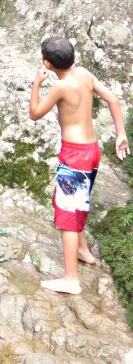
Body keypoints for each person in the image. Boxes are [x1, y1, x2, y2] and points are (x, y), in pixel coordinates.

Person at [29, 36, 129, 295]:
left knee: (67, 213)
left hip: (74, 157)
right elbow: (113, 100)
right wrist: (121, 134)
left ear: (47, 63)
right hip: (91, 151)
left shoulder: (60, 87)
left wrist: (37, 83)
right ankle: (83, 251)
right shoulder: (84, 74)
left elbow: (35, 113)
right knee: (78, 201)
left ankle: (70, 279)